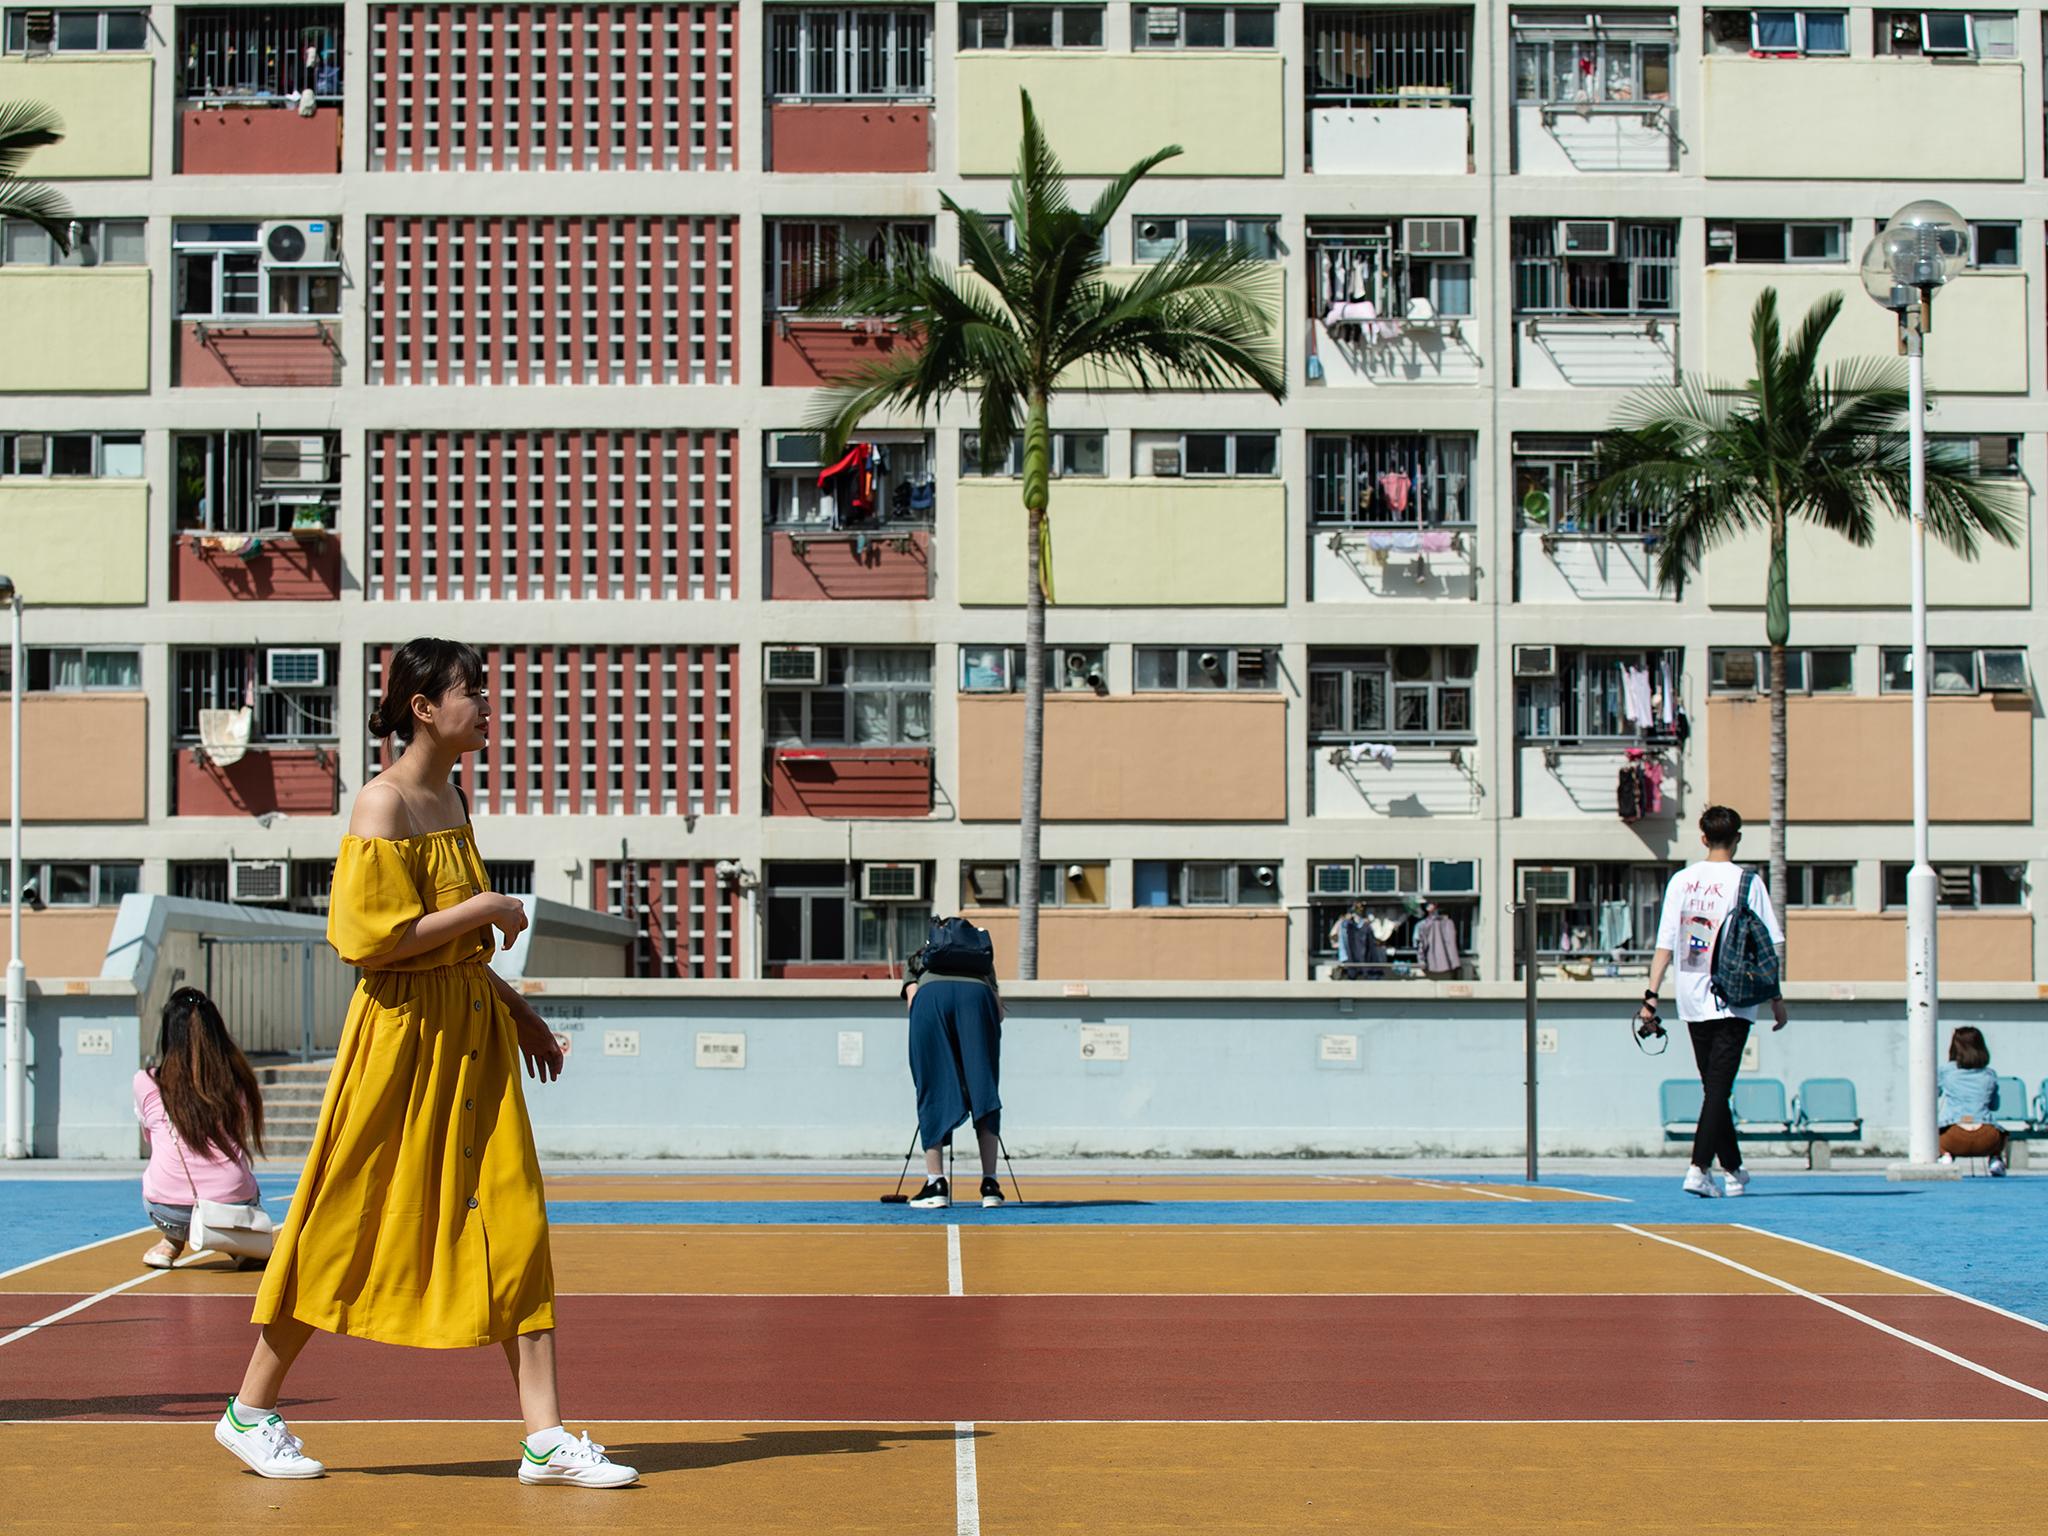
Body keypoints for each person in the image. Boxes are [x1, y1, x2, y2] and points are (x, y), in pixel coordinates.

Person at [220, 638, 634, 1488]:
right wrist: (484, 905)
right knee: (344, 1219)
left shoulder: (451, 798)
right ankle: (249, 1411)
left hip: (472, 1039)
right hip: (400, 1045)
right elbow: (371, 944)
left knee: (515, 1222)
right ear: (422, 707)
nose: (484, 704)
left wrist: (522, 1015)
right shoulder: (382, 806)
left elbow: (457, 949)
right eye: (469, 691)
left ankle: (545, 1438)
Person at [1638, 805, 1787, 1199]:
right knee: (1718, 1089)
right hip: (1734, 995)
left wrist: (1650, 998)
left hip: (1690, 994)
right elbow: (1769, 943)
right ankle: (1699, 1168)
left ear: (1703, 838)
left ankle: (1734, 1170)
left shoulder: (1682, 881)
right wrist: (1776, 997)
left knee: (1714, 1087)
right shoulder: (1747, 881)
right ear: (1737, 838)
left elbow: (1665, 944)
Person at [134, 988, 266, 1270]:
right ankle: (237, 1243)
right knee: (240, 1184)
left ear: (169, 1034)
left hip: (168, 1210)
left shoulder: (146, 1082)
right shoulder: (239, 1082)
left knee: (161, 1177)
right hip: (235, 1205)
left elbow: (151, 1137)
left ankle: (171, 1242)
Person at [902, 955, 1007, 1211]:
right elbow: (998, 1012)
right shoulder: (979, 959)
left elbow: (913, 1003)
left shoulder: (919, 958)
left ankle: (936, 1183)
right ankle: (990, 1185)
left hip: (931, 1000)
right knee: (983, 1088)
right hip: (978, 998)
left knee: (934, 1088)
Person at [1937, 1026, 2007, 1175]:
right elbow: (1995, 1106)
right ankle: (1995, 1160)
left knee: (1935, 1135)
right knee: (2002, 1135)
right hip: (1987, 1136)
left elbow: (1932, 1095)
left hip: (1952, 1135)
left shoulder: (1945, 1071)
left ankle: (1945, 1156)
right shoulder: (1990, 1074)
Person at [1414, 902, 1462, 980]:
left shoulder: (1424, 925)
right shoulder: (1448, 923)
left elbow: (1420, 945)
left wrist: (1421, 960)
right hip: (1449, 963)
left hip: (1432, 963)